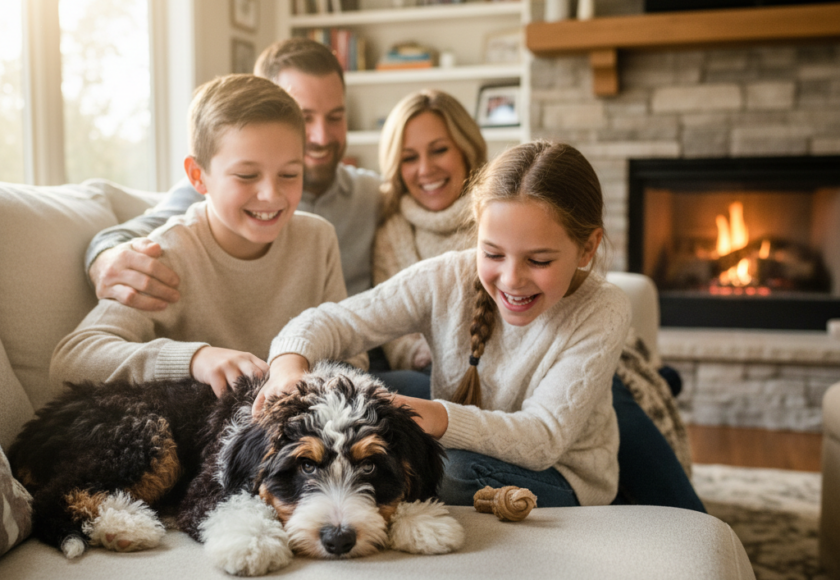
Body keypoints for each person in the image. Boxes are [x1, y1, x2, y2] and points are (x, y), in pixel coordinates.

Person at [255, 141, 633, 508]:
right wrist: (288, 369)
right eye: (493, 253)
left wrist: (433, 415)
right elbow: (333, 321)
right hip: (464, 446)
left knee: (450, 473)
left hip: (559, 474)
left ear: (587, 248)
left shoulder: (603, 308)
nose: (511, 279)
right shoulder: (446, 277)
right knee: (376, 404)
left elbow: (543, 438)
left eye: (539, 261)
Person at [50, 74, 363, 395]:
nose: (271, 194)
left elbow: (353, 354)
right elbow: (73, 358)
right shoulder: (168, 253)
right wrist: (194, 359)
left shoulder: (318, 238)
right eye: (246, 175)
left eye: (289, 174)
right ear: (197, 175)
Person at [84, 38, 380, 312]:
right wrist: (104, 258)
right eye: (304, 118)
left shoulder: (371, 193)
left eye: (335, 117)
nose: (321, 136)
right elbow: (131, 236)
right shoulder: (215, 193)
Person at [373, 89, 486, 372]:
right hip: (426, 371)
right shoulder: (392, 234)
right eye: (410, 158)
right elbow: (389, 330)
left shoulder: (499, 215)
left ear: (467, 149)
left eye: (439, 150)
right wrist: (421, 353)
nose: (425, 169)